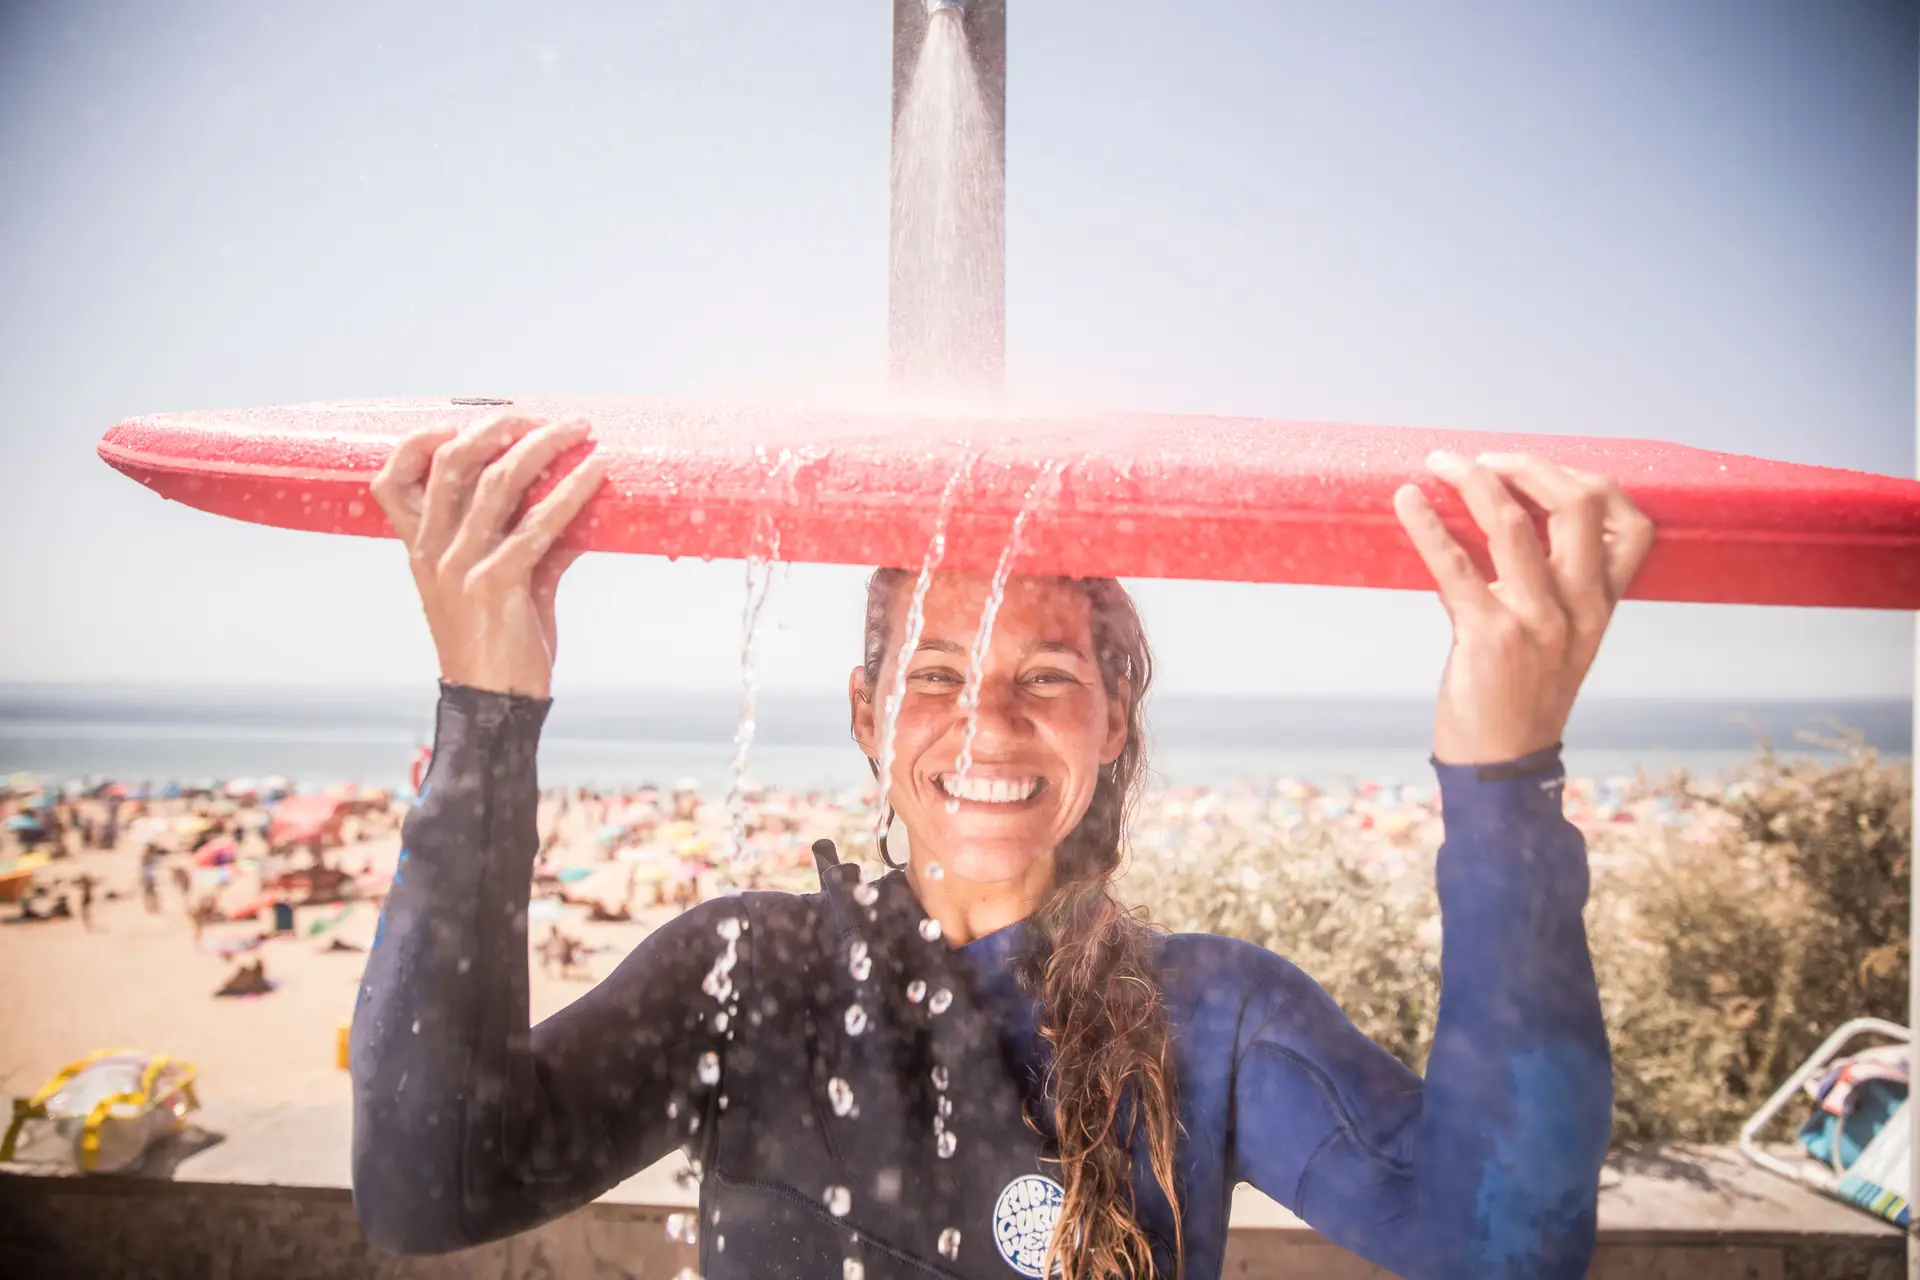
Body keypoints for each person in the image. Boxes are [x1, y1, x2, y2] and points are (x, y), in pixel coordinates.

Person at [350, 413, 1655, 1279]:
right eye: (933, 675)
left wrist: (1505, 771)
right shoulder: (743, 975)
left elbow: (1502, 1247)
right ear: (867, 719)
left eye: (1045, 674)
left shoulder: (1206, 1018)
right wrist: (487, 711)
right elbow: (429, 1184)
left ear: (1110, 719)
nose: (987, 721)